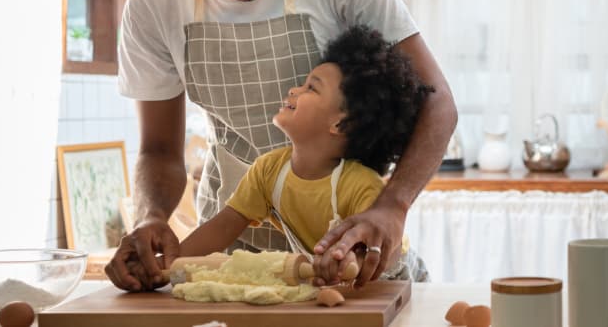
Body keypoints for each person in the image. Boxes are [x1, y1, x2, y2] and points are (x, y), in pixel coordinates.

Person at [105, 0, 457, 292]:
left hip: (342, 247)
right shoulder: (150, 6)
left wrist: (392, 206)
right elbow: (159, 150)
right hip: (231, 251)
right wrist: (151, 219)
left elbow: (437, 101)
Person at [124, 26, 430, 290]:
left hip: (396, 282)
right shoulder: (269, 171)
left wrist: (345, 260)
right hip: (342, 287)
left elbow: (368, 254)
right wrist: (165, 268)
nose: (294, 90)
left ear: (340, 124)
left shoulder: (360, 185)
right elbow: (222, 228)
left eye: (311, 87)